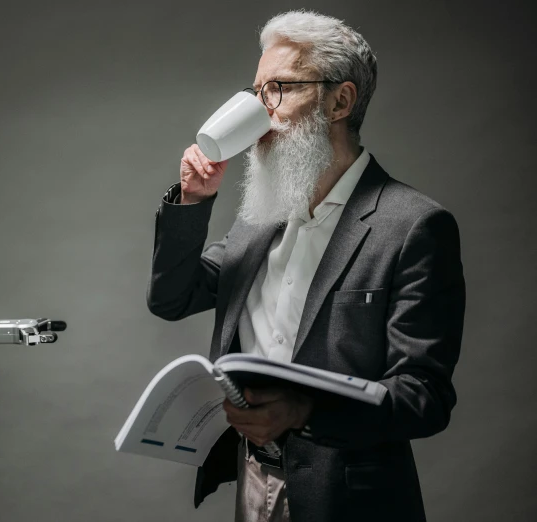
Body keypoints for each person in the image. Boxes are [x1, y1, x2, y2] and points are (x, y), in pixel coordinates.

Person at [146, 10, 466, 522]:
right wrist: (192, 200)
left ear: (340, 101)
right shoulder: (258, 220)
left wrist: (306, 411)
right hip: (251, 479)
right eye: (256, 93)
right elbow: (171, 298)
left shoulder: (414, 226)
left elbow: (424, 396)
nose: (259, 112)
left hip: (350, 497)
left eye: (278, 89)